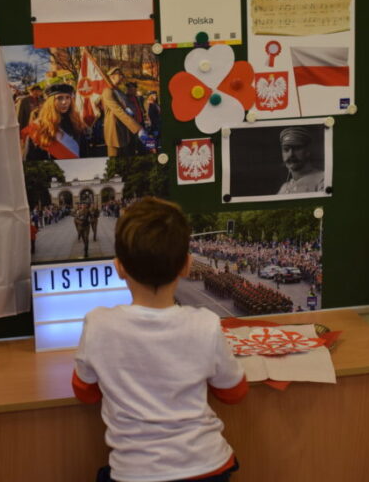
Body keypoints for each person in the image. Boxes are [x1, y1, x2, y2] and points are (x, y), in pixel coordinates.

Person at [72, 197, 248, 482]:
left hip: (134, 473)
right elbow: (234, 393)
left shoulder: (98, 324)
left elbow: (85, 393)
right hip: (207, 467)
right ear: (187, 265)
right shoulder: (206, 324)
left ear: (119, 267)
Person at [22, 83, 88, 160]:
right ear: (50, 101)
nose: (64, 102)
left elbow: (85, 152)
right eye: (59, 98)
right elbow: (30, 159)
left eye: (67, 97)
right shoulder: (39, 127)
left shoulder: (76, 122)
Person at [102, 67, 147, 157]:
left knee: (126, 159)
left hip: (125, 130)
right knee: (114, 160)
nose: (122, 77)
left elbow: (129, 106)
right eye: (120, 75)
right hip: (114, 131)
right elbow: (119, 112)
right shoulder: (107, 92)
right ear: (112, 76)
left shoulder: (119, 92)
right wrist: (138, 128)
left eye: (122, 75)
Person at [277, 127, 324, 194]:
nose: (291, 154)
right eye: (286, 149)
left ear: (308, 151)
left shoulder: (322, 180)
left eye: (297, 148)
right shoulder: (284, 188)